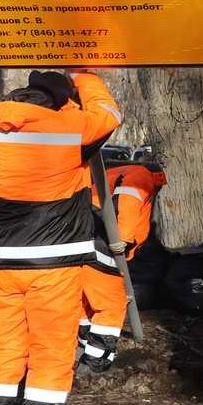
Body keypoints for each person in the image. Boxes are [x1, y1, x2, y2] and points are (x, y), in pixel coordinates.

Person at [0, 69, 122, 405]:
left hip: (7, 264)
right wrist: (87, 77)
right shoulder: (68, 129)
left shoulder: (6, 126)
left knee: (4, 352)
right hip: (53, 265)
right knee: (50, 356)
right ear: (61, 101)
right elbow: (108, 114)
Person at [76, 160, 167, 375]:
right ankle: (94, 364)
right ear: (159, 178)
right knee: (111, 305)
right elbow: (129, 199)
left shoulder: (112, 173)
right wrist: (124, 239)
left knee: (87, 301)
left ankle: (84, 347)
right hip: (105, 244)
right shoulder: (141, 175)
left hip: (85, 238)